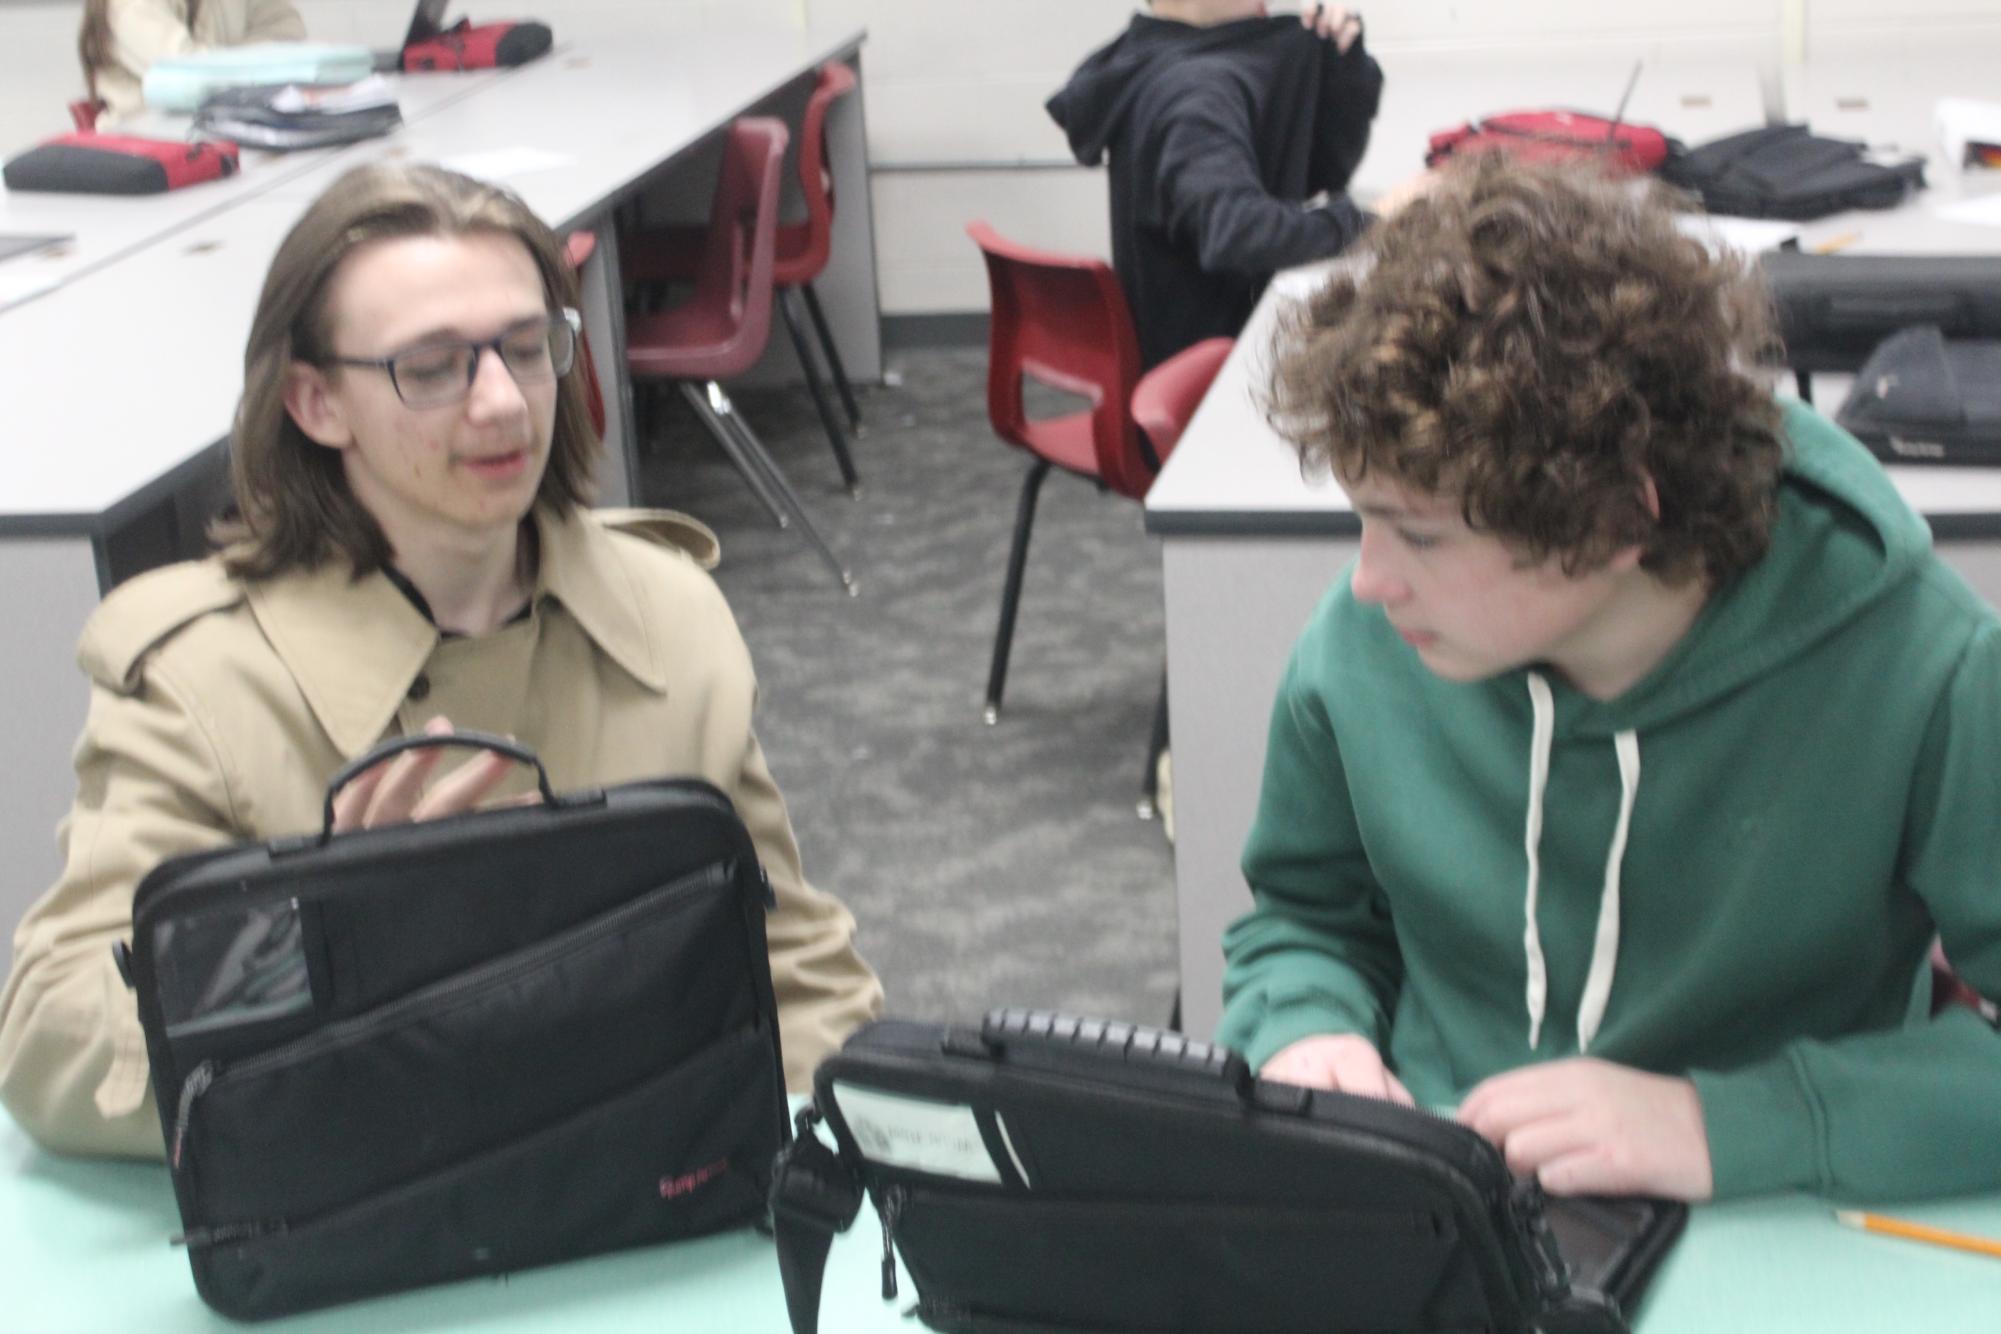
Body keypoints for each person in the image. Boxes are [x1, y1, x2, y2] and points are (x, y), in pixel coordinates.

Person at [0, 161, 883, 1158]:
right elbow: (49, 1037)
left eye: (526, 346)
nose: (505, 403)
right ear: (316, 402)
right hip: (383, 1217)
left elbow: (794, 962)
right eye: (431, 366)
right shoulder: (205, 680)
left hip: (643, 1197)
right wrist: (319, 952)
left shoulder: (664, 613)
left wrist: (851, 1157)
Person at [1218, 155, 2001, 1204]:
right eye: (1363, 520)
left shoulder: (1925, 667)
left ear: (1617, 519)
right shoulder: (1374, 644)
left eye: (1418, 534)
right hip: (1432, 1209)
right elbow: (1304, 917)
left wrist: (1721, 1122)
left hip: (1765, 1209)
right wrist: (1302, 1026)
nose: (1367, 581)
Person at [1047, 2, 1393, 370]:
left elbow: (1321, 173)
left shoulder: (1157, 52)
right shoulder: (1196, 95)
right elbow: (1239, 231)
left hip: (1212, 355)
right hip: (1217, 383)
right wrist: (1372, 220)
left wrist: (1343, 64)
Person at [79, 0, 308, 124]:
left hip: (219, 139)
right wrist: (253, 62)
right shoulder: (126, 5)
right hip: (148, 154)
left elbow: (289, 28)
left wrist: (225, 62)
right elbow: (191, 74)